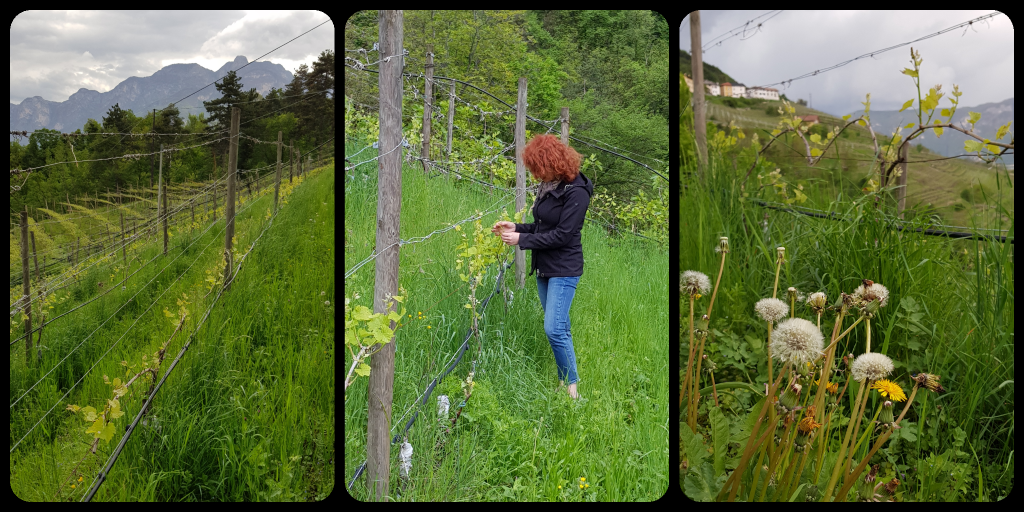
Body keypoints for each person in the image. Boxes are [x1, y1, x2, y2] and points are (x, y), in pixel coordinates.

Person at [492, 134, 593, 399]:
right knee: (560, 327)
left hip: (564, 268)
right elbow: (543, 226)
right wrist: (517, 228)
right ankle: (563, 383)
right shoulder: (550, 186)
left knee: (554, 328)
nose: (536, 175)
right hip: (545, 267)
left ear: (552, 163)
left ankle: (572, 390)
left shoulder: (577, 191)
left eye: (539, 168)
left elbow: (563, 234)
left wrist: (521, 240)